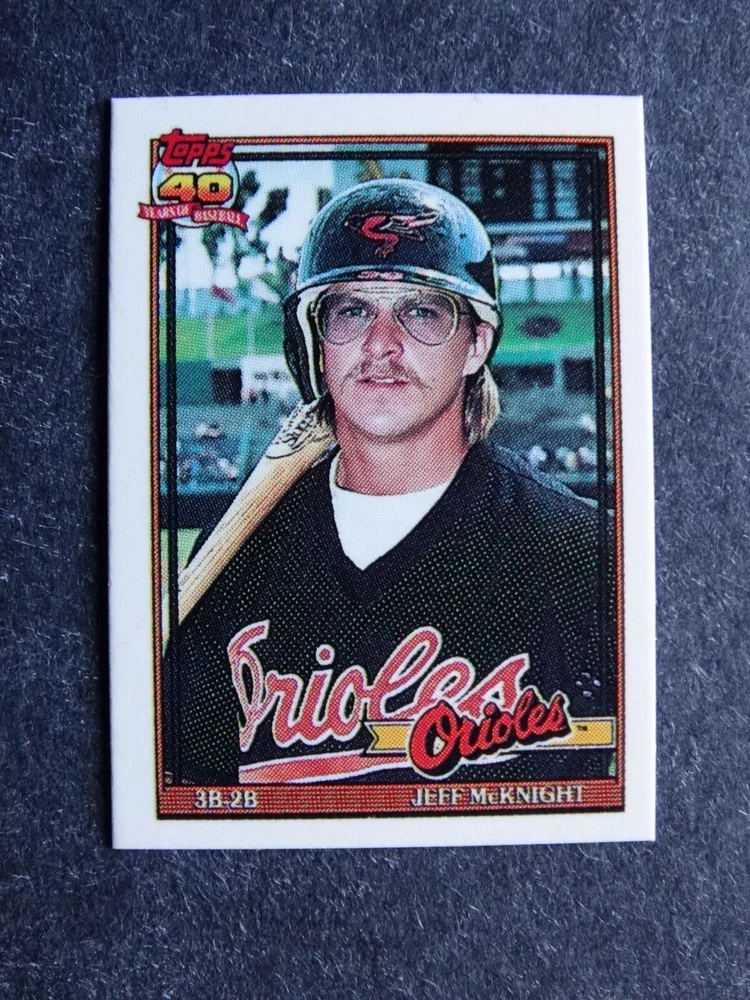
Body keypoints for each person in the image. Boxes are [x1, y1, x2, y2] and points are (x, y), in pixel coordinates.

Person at [167, 179, 615, 787]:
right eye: (352, 311)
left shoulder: (583, 554)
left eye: (422, 312)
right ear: (318, 344)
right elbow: (195, 802)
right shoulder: (236, 556)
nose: (381, 345)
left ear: (476, 344)